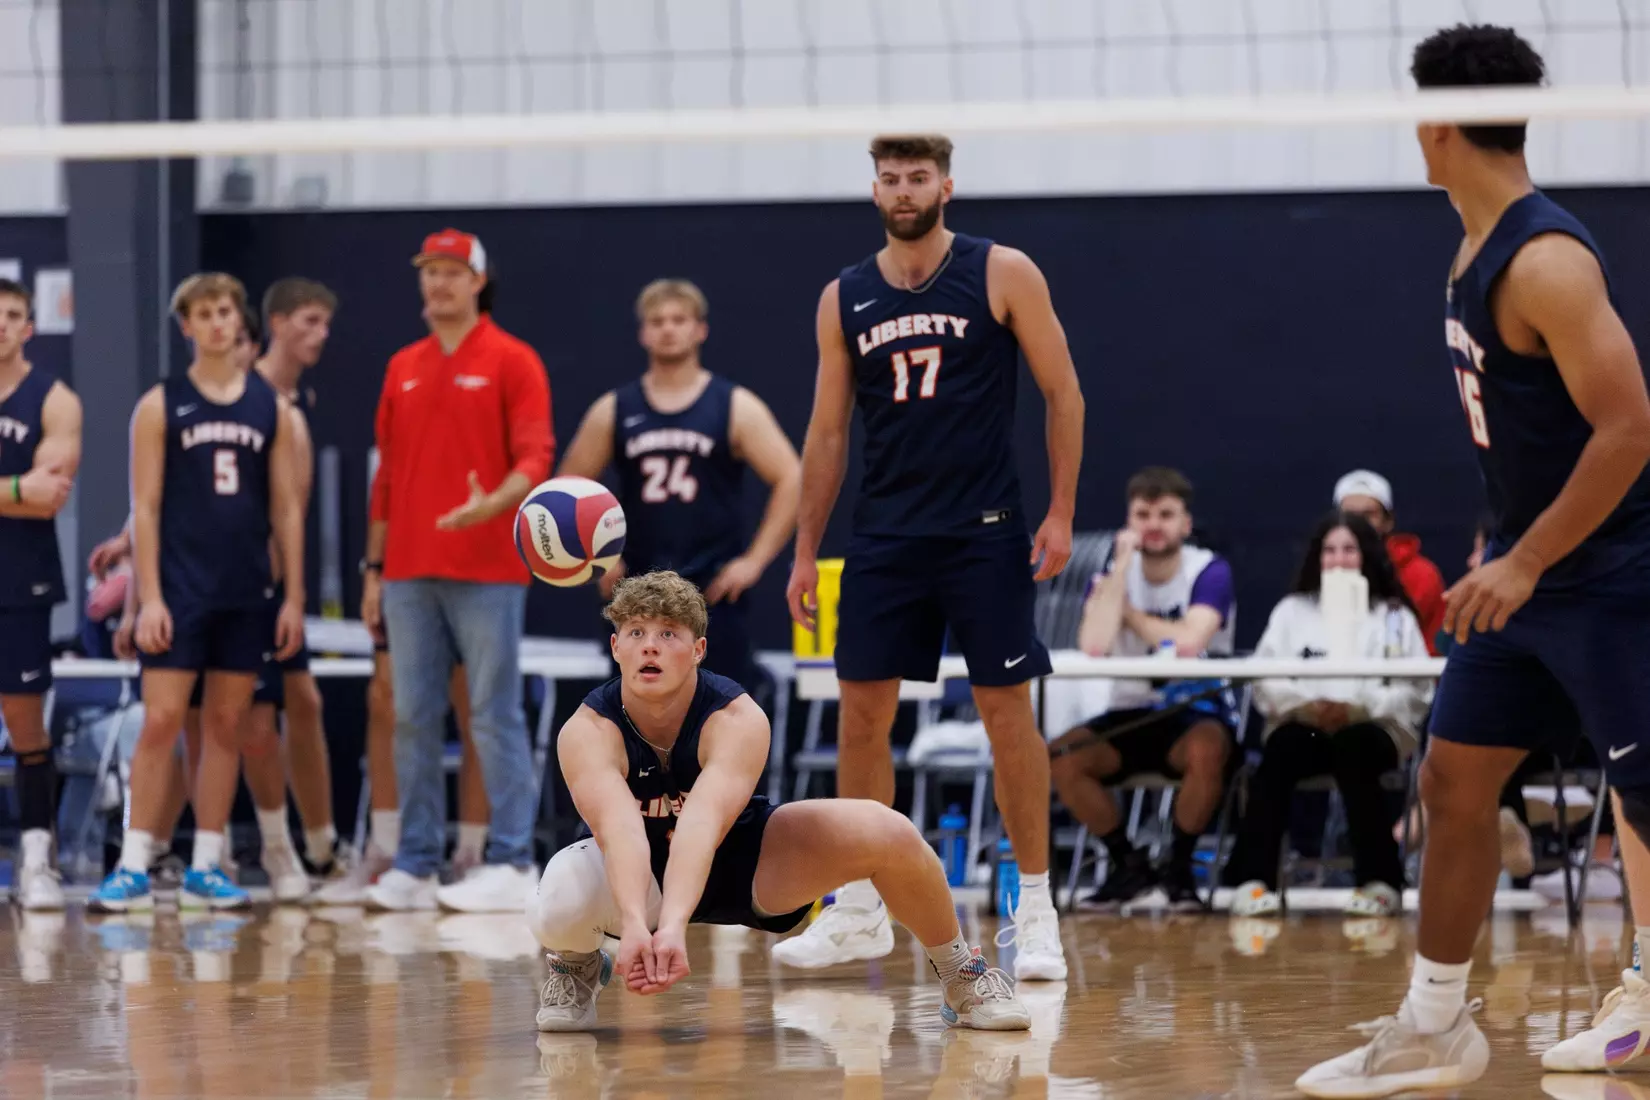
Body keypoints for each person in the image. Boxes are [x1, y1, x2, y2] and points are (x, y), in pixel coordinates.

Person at [1300, 25, 1650, 1094]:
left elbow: (1630, 427)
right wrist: (1502, 550)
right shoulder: (1469, 246)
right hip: (1528, 571)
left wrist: (1528, 558)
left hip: (1609, 574)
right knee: (1453, 775)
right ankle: (1437, 1022)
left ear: (1436, 123)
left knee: (1643, 797)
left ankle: (1643, 987)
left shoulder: (1545, 258)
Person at [782, 134, 1084, 980]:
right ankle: (858, 907)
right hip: (884, 535)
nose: (904, 189)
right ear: (873, 190)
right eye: (890, 178)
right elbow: (827, 432)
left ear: (946, 184)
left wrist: (1060, 512)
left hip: (984, 530)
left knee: (1006, 716)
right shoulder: (844, 295)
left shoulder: (1002, 270)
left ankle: (1035, 909)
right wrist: (806, 550)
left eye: (918, 176)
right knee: (860, 717)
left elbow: (1065, 393)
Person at [526, 571, 1029, 1033]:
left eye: (668, 634)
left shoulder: (738, 717)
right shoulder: (588, 729)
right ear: (615, 647)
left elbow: (703, 824)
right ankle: (577, 965)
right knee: (558, 898)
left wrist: (675, 925)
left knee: (887, 829)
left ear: (699, 649)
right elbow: (620, 831)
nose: (649, 648)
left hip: (741, 858)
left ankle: (962, 973)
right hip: (636, 877)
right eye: (636, 633)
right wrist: (637, 924)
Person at [88, 272, 305, 913]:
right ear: (186, 327)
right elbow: (145, 508)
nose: (217, 323)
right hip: (180, 592)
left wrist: (291, 597)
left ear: (239, 322)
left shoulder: (273, 409)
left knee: (226, 724)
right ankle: (133, 862)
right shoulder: (161, 404)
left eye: (225, 312)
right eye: (204, 314)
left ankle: (207, 863)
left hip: (245, 591)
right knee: (160, 722)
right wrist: (148, 596)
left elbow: (288, 509)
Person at [362, 229, 553, 913]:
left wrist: (491, 506)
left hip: (489, 568)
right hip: (408, 570)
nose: (437, 282)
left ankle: (512, 858)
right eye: (428, 271)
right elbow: (385, 478)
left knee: (493, 714)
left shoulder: (513, 360)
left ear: (478, 280)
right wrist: (373, 570)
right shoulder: (402, 366)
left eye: (451, 271)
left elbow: (536, 458)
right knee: (411, 715)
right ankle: (414, 863)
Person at [557, 278, 801, 685]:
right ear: (643, 332)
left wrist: (755, 561)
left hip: (712, 590)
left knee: (717, 714)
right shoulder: (615, 408)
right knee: (638, 716)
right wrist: (600, 561)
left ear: (699, 329)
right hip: (637, 589)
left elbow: (792, 477)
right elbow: (567, 487)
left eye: (678, 319)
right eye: (657, 321)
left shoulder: (733, 405)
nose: (668, 329)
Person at [1222, 511, 1432, 919]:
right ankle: (1253, 880)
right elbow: (1265, 677)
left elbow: (1417, 688)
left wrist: (1360, 708)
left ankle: (1380, 881)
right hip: (1305, 723)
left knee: (1355, 750)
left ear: (1366, 555)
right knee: (1281, 751)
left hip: (1376, 728)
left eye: (1349, 550)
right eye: (1330, 550)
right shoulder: (1291, 611)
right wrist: (1307, 706)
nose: (1338, 559)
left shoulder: (1394, 616)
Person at [1049, 467, 1237, 913]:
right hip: (1130, 711)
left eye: (1166, 514)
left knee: (1208, 749)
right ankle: (1127, 864)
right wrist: (1121, 570)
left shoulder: (1209, 570)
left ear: (1185, 524)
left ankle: (1180, 866)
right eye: (1143, 514)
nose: (1154, 524)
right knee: (1060, 757)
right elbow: (1093, 644)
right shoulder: (1113, 577)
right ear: (1128, 524)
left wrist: (1130, 617)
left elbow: (1190, 642)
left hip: (1194, 709)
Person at [255, 278, 343, 879]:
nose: (321, 335)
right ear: (277, 322)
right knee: (230, 721)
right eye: (310, 321)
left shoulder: (295, 402)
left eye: (325, 324)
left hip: (276, 586)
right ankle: (276, 847)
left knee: (302, 704)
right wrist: (131, 538)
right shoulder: (244, 395)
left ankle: (320, 846)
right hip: (234, 581)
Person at [0, 277, 82, 909]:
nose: (2, 324)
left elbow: (48, 492)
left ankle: (36, 857)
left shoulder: (54, 400)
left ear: (30, 326)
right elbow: (24, 491)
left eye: (13, 315)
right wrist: (14, 488)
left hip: (20, 578)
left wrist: (28, 492)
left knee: (25, 719)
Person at [1332, 469, 1448, 653]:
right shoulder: (1320, 572)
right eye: (1350, 516)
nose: (1359, 524)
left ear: (1388, 520)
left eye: (1368, 515)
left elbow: (1431, 652)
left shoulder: (1422, 575)